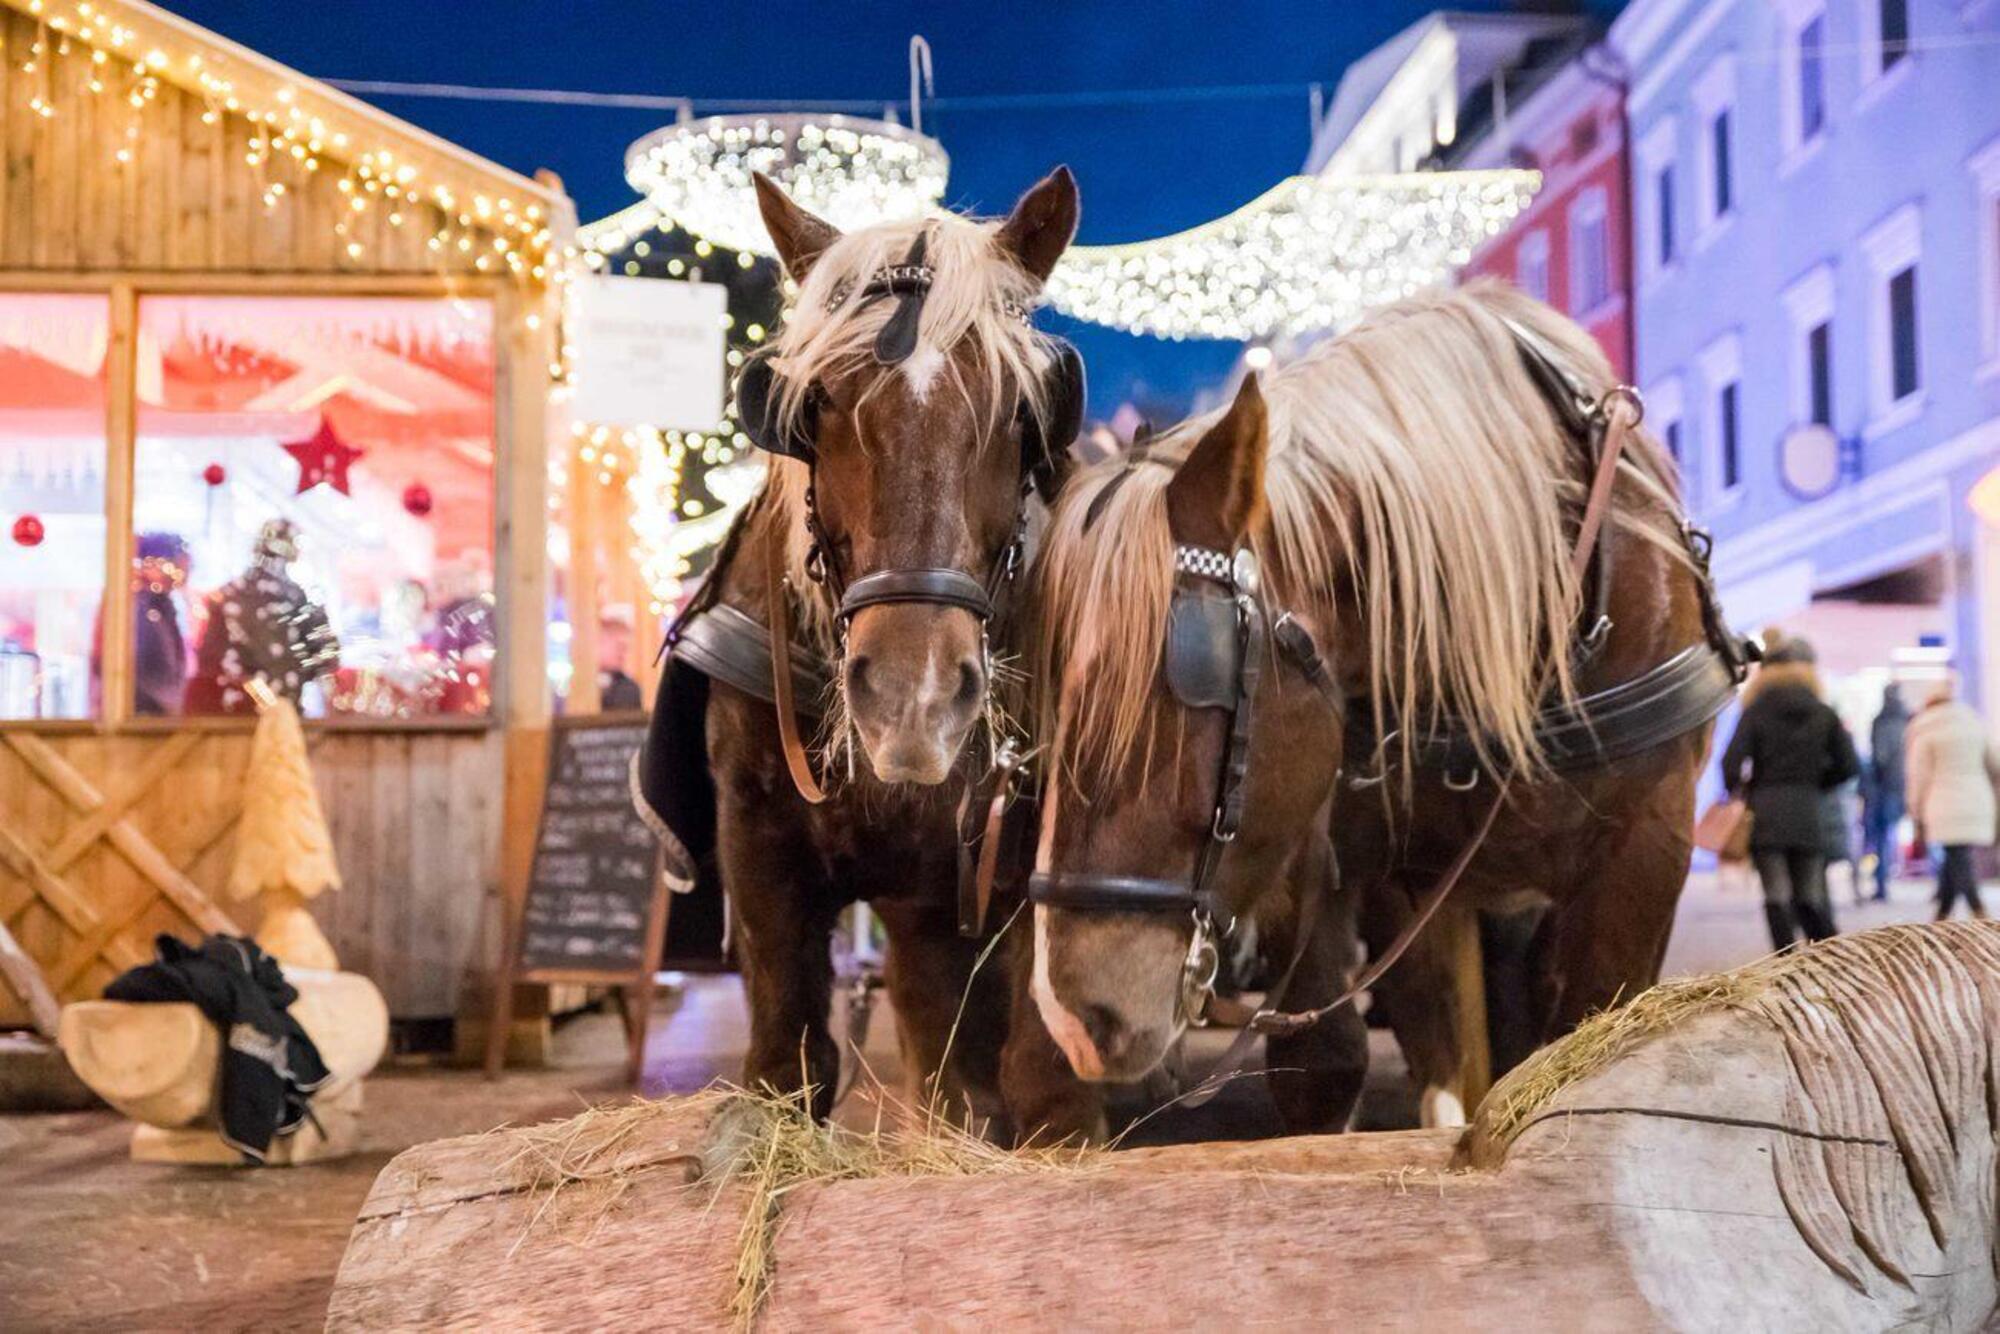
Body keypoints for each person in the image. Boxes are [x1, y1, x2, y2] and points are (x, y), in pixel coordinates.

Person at [1719, 637, 1860, 949]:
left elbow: (1730, 762)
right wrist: (1819, 783)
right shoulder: (1824, 713)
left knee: (1776, 894)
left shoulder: (1755, 712)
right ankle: (1823, 955)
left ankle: (1785, 959)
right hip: (1808, 810)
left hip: (1766, 810)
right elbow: (1850, 765)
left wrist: (1741, 792)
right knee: (1809, 893)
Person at [1904, 677, 2000, 920]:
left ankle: (1977, 909)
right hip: (1977, 799)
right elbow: (1995, 763)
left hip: (1941, 802)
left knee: (1957, 854)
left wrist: (1915, 810)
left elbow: (1918, 776)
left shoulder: (1923, 729)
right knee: (1956, 854)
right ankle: (1943, 911)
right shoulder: (1974, 722)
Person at [1862, 684, 1910, 902]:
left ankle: (1882, 884)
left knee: (1881, 835)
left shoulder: (1881, 721)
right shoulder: (1908, 719)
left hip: (1884, 786)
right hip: (1903, 783)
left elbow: (1879, 757)